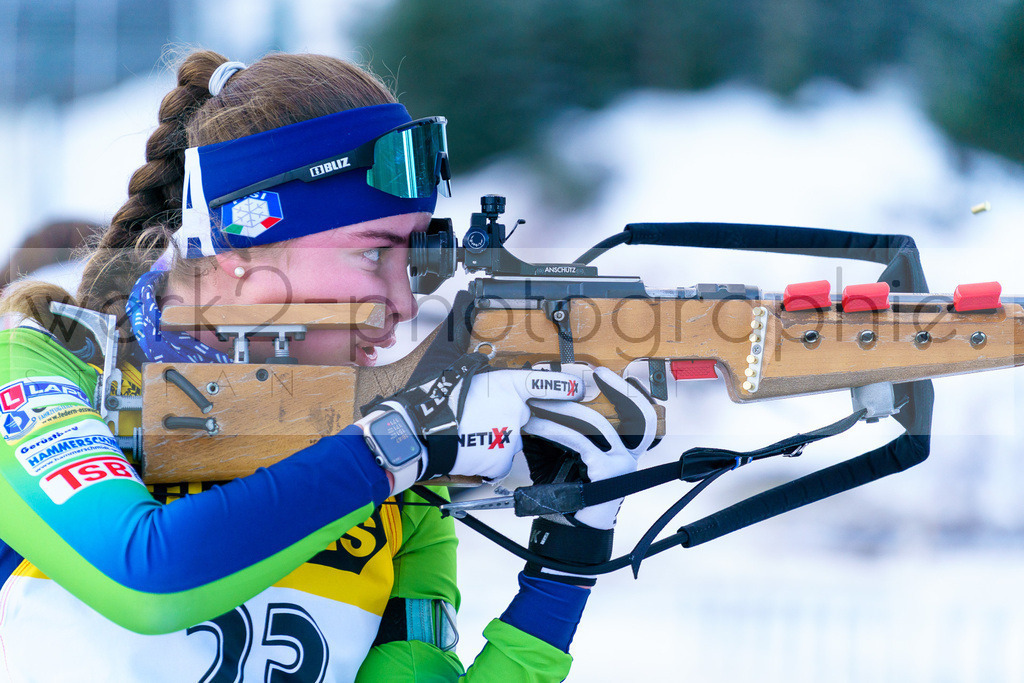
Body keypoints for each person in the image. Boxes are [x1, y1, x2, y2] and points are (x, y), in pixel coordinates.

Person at [0, 51, 656, 681]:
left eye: (413, 258)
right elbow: (147, 578)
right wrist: (399, 445)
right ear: (243, 240)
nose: (404, 302)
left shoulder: (381, 456)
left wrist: (565, 565)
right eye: (373, 253)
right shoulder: (44, 369)